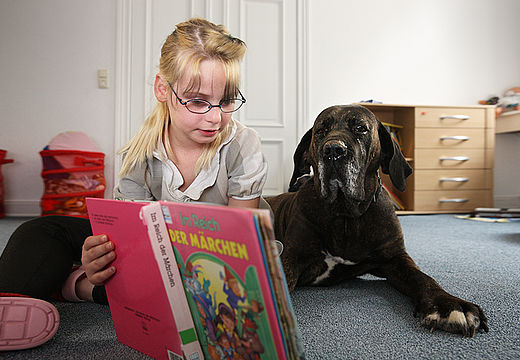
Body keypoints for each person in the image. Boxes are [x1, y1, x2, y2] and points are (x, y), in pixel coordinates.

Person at [0, 17, 268, 351]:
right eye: (198, 101)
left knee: (192, 294)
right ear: (162, 89)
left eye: (227, 101)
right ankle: (14, 299)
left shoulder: (243, 146)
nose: (215, 117)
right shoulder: (137, 155)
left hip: (211, 257)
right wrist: (101, 260)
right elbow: (129, 249)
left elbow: (237, 253)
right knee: (37, 231)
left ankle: (76, 287)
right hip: (152, 251)